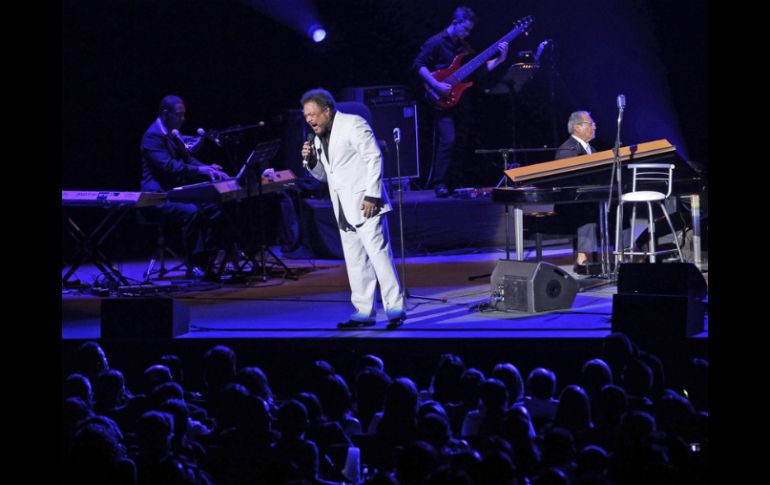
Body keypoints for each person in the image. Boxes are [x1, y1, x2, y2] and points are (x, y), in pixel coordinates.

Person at [300, 88, 406, 329]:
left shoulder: (353, 124)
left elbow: (374, 157)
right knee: (356, 260)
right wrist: (310, 162)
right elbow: (325, 176)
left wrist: (372, 195)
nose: (309, 120)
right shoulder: (317, 138)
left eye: (312, 114)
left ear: (326, 110)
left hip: (366, 202)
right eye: (306, 116)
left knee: (379, 256)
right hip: (343, 207)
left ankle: (394, 307)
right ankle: (364, 310)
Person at [413, 6, 508, 197]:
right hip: (440, 98)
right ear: (455, 23)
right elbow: (419, 65)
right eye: (464, 29)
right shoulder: (436, 42)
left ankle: (453, 182)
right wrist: (436, 84)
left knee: (461, 141)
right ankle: (438, 183)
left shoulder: (464, 47)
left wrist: (500, 59)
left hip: (460, 99)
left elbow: (479, 71)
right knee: (448, 140)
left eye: (469, 31)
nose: (467, 33)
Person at [140, 94, 229, 278]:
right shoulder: (152, 137)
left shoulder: (172, 133)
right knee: (192, 211)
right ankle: (195, 263)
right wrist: (201, 171)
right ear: (166, 113)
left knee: (217, 206)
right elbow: (169, 166)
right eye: (179, 115)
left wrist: (207, 167)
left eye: (183, 114)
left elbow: (187, 158)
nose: (183, 119)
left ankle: (211, 257)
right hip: (157, 197)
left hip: (174, 193)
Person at [554, 110, 601, 274]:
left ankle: (624, 256)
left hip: (590, 198)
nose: (595, 126)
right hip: (570, 203)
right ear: (577, 128)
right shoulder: (567, 150)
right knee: (587, 210)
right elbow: (567, 182)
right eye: (591, 124)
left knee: (620, 208)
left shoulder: (592, 149)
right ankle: (582, 259)